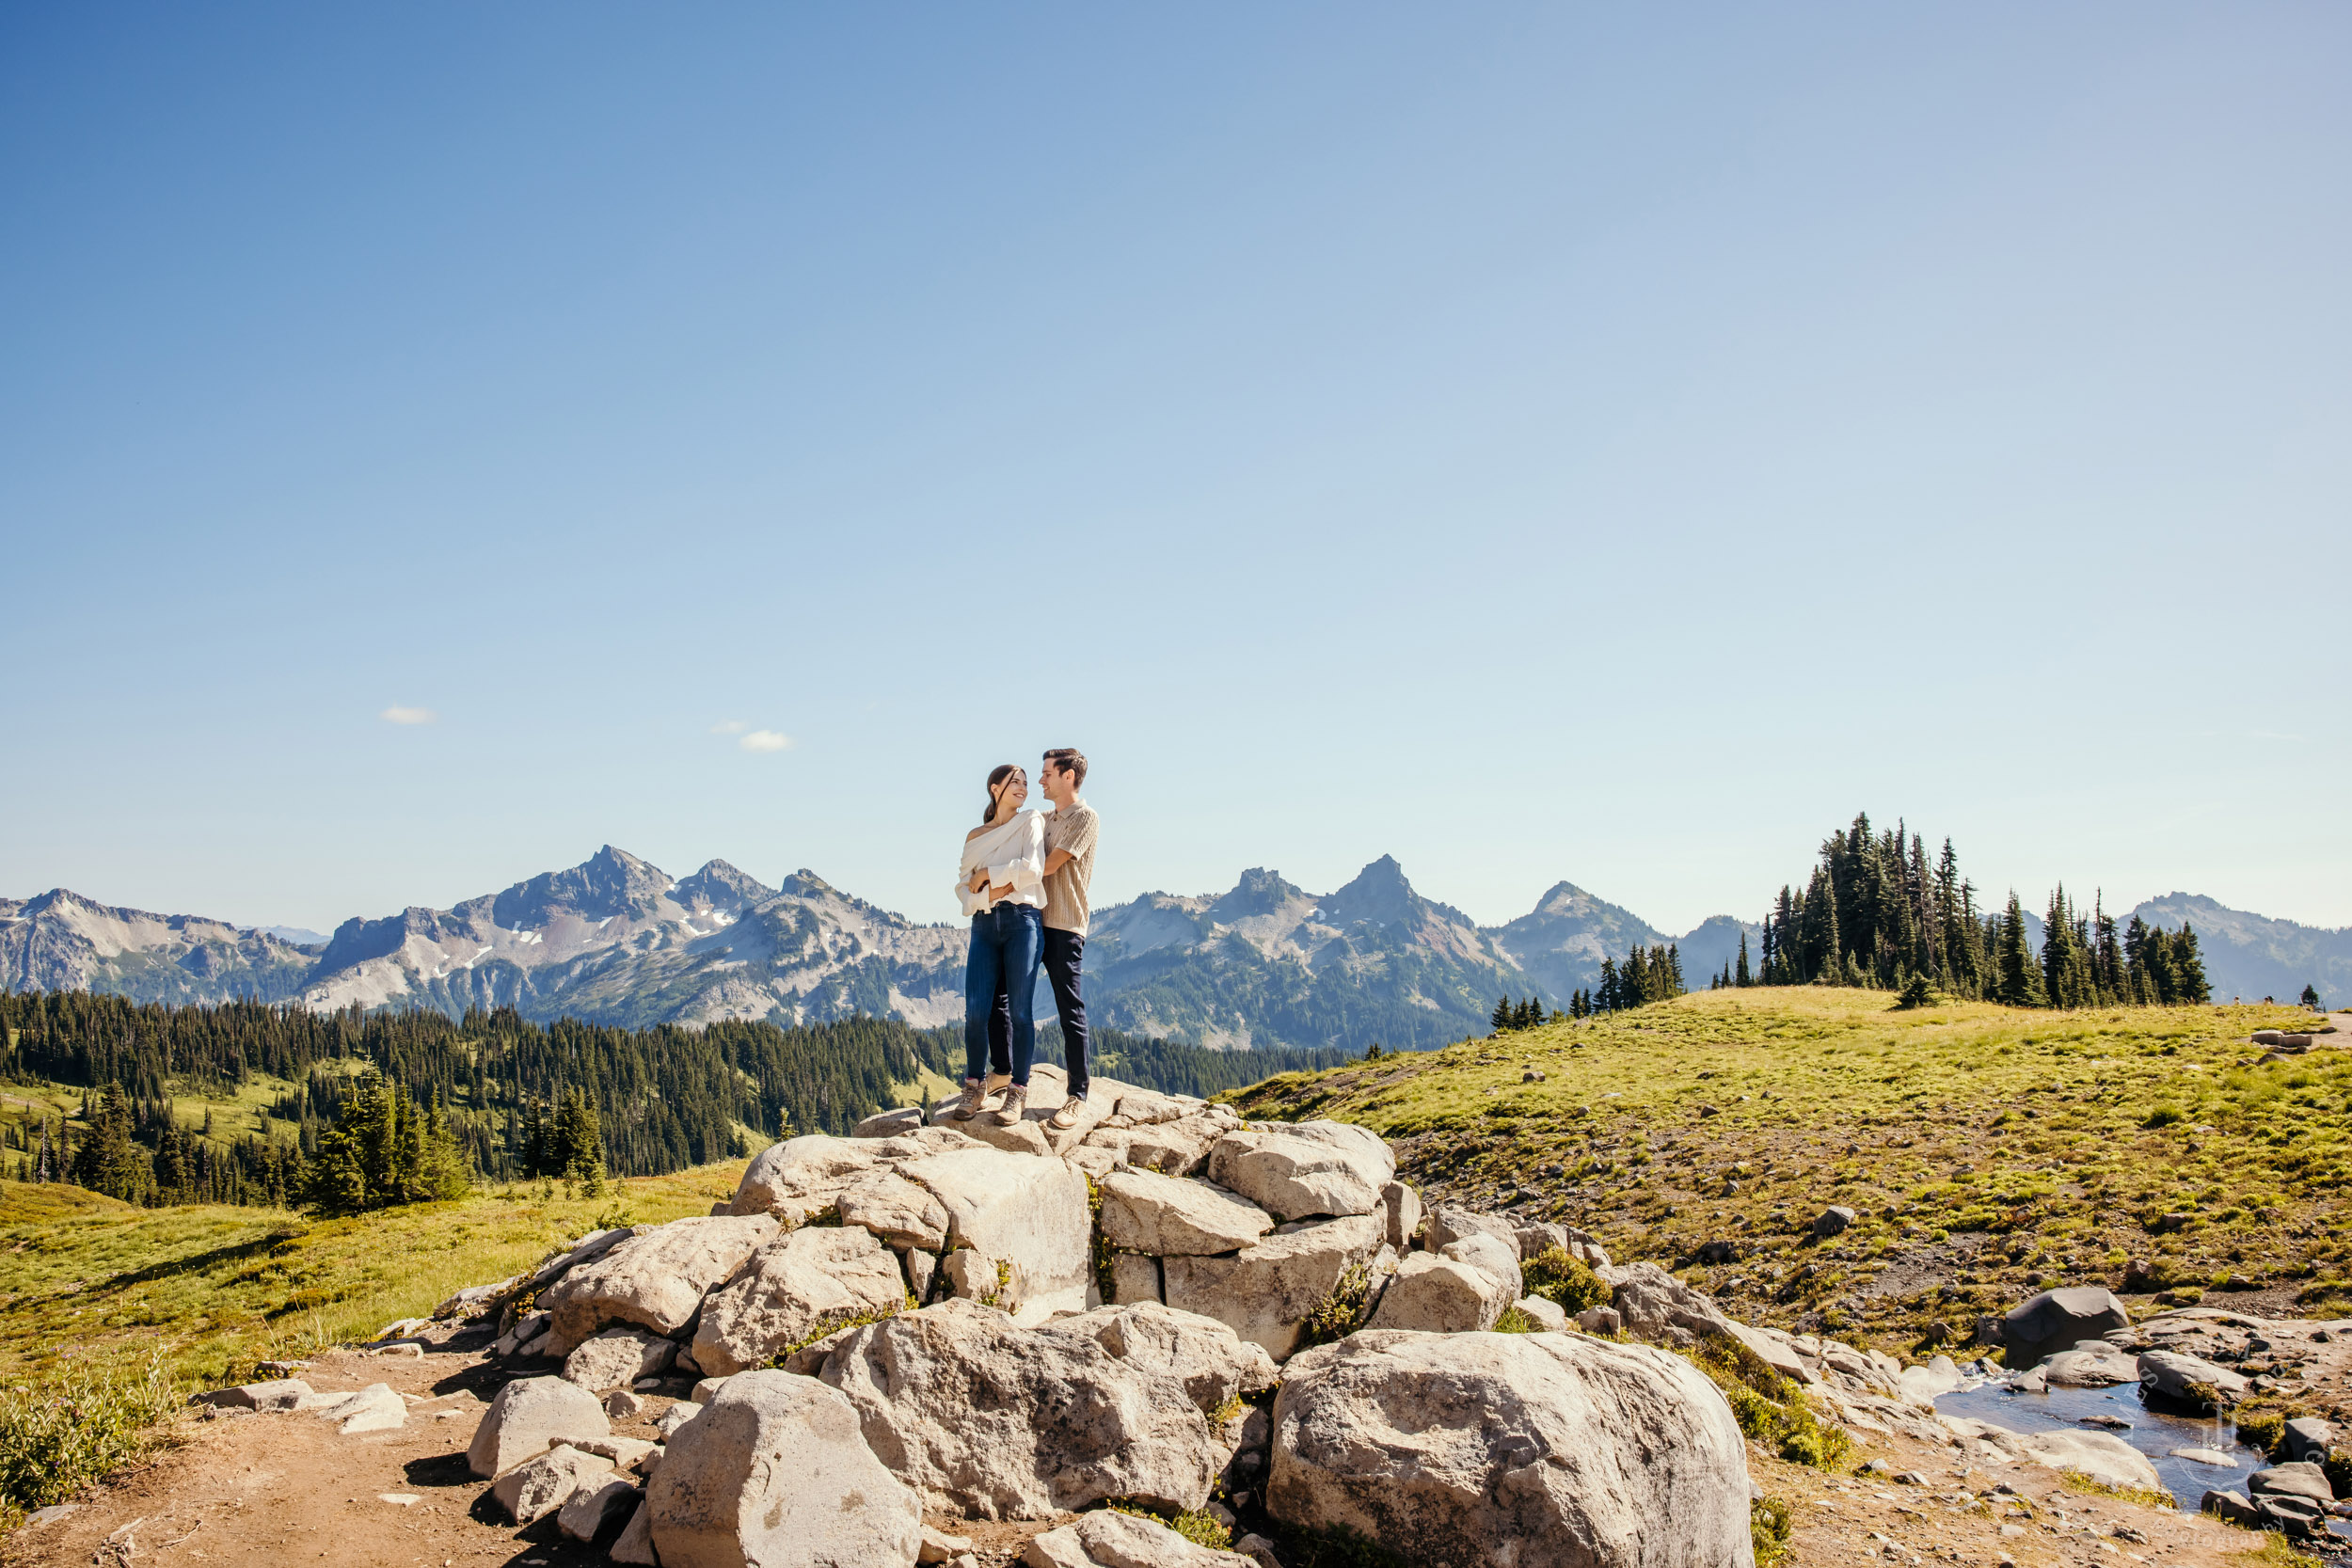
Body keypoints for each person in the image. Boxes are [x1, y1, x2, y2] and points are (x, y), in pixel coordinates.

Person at [950, 764, 1047, 1125]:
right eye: (1015, 782)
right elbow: (962, 887)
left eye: (1025, 782)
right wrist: (991, 892)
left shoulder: (1031, 821)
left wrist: (987, 876)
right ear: (995, 789)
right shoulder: (976, 835)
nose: (1023, 787)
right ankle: (974, 1085)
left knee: (1020, 1011)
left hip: (1023, 921)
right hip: (984, 925)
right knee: (976, 1011)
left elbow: (1033, 868)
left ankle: (1017, 1091)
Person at [1037, 748, 1100, 1131]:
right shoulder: (1044, 819)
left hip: (1065, 924)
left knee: (1068, 1009)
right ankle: (1007, 1079)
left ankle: (1077, 1095)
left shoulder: (1085, 818)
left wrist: (999, 878)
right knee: (1007, 997)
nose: (1041, 780)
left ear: (1068, 776)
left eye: (1047, 773)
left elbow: (1048, 865)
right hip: (1033, 921)